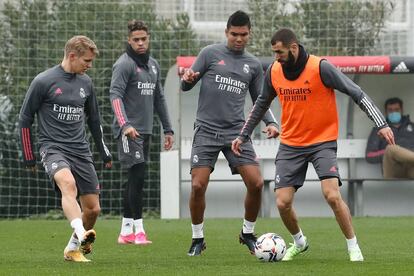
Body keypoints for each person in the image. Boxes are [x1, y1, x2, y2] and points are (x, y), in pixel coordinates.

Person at [232, 28, 395, 262]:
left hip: (322, 143)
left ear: (294, 48)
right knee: (282, 202)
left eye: (280, 52)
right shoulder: (274, 72)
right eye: (274, 52)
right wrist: (243, 135)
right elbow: (260, 105)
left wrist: (381, 123)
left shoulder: (321, 68)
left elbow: (356, 92)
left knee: (331, 195)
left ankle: (353, 247)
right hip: (290, 145)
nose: (276, 57)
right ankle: (300, 242)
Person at [180, 10, 278, 256]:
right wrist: (189, 79)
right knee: (198, 185)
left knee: (256, 183)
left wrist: (271, 122)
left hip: (237, 133)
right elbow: (186, 84)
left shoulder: (254, 65)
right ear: (226, 32)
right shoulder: (209, 54)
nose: (238, 39)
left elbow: (261, 99)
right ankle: (197, 239)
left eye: (243, 34)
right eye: (234, 34)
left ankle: (247, 233)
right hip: (206, 130)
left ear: (249, 34)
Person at [18, 35, 112, 262]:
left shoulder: (86, 83)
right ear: (72, 56)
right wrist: (29, 156)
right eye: (86, 61)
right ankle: (82, 234)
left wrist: (103, 150)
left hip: (80, 150)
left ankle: (72, 249)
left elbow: (94, 120)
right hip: (53, 148)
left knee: (93, 209)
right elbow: (25, 119)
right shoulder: (43, 81)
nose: (89, 66)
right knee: (68, 185)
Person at [110, 20, 174, 245]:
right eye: (135, 40)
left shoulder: (153, 65)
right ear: (129, 40)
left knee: (136, 179)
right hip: (129, 132)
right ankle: (139, 231)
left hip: (146, 131)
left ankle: (125, 231)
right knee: (137, 177)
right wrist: (125, 125)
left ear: (148, 39)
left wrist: (168, 129)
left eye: (143, 39)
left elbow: (159, 99)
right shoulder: (124, 64)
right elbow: (115, 96)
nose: (140, 43)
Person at [366, 97, 414, 178]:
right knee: (391, 149)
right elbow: (369, 156)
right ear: (386, 112)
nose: (393, 112)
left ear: (402, 110)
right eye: (390, 110)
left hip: (411, 168)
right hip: (393, 170)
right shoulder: (379, 129)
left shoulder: (412, 127)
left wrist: (406, 152)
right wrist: (390, 153)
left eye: (396, 109)